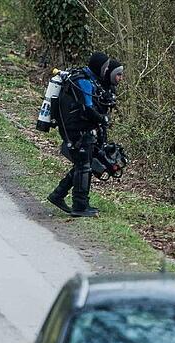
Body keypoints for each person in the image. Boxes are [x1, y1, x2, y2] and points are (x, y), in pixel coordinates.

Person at [47, 52, 124, 218]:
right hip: (76, 130)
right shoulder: (82, 81)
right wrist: (102, 118)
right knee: (84, 166)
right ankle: (80, 206)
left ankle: (58, 195)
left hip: (82, 128)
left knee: (83, 164)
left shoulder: (92, 81)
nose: (105, 72)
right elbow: (87, 108)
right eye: (105, 68)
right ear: (99, 68)